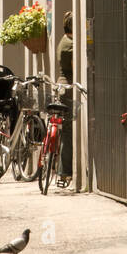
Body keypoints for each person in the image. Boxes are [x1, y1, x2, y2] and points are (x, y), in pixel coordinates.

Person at [56, 11, 74, 188]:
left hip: (61, 87)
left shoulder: (63, 40)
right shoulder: (71, 45)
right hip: (68, 89)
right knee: (68, 131)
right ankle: (65, 171)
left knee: (65, 131)